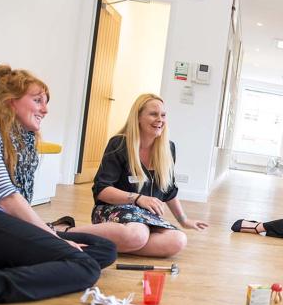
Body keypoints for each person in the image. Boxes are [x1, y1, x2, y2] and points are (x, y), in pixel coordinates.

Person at [0, 65, 117, 305]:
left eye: (45, 103)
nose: (45, 109)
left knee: (103, 248)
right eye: (37, 100)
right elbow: (6, 197)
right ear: (9, 101)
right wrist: (55, 239)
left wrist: (51, 238)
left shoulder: (18, 140)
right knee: (85, 266)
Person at [57, 94, 208, 257]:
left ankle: (104, 243)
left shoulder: (168, 148)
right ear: (138, 118)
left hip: (146, 217)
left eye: (163, 115)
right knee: (138, 233)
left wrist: (184, 220)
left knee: (178, 240)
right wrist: (137, 198)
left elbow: (169, 190)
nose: (160, 119)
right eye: (153, 114)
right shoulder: (119, 144)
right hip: (112, 209)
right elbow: (101, 190)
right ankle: (64, 233)